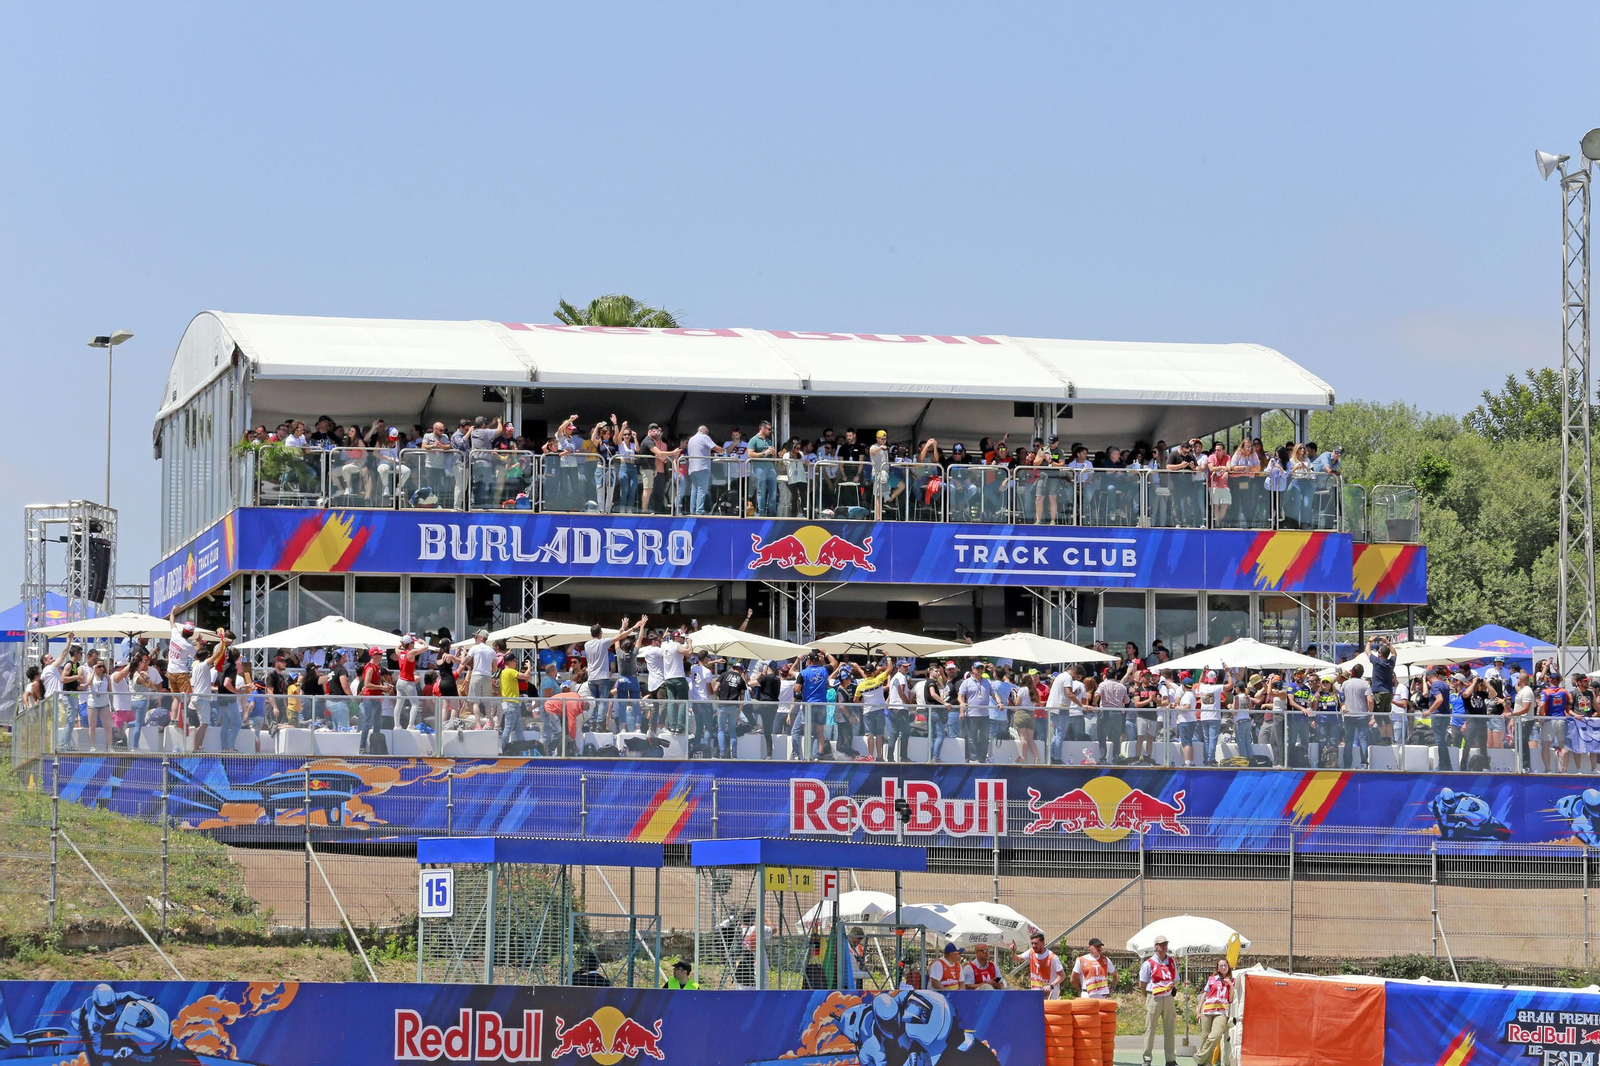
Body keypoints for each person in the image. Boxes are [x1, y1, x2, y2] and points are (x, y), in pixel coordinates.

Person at [1139, 936, 1178, 1066]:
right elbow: (1142, 983)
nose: (1164, 946)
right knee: (1150, 1027)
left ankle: (1170, 1059)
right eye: (1161, 944)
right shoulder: (1148, 963)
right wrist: (1148, 996)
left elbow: (1175, 978)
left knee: (1170, 1028)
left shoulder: (1172, 962)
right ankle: (1147, 1058)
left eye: (1166, 944)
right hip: (1154, 996)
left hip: (1168, 997)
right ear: (1156, 946)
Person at [1196, 959, 1236, 1065]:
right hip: (1207, 1009)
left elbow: (1231, 999)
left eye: (1225, 965)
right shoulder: (1212, 979)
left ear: (1228, 967)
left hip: (1221, 1011)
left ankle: (1199, 1057)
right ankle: (1206, 1063)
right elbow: (1204, 995)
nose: (1224, 967)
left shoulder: (1232, 980)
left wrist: (1230, 985)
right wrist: (1198, 1011)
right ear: (1218, 968)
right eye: (1221, 965)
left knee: (1216, 1035)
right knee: (1205, 1036)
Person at [1340, 663, 1372, 769]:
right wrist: (1370, 713)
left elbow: (1341, 699)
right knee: (1363, 739)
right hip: (1362, 714)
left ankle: (1347, 765)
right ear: (1362, 673)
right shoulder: (1365, 684)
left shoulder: (1345, 684)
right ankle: (1363, 764)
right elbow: (1370, 701)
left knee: (1348, 741)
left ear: (1352, 672)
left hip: (1349, 714)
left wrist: (1343, 707)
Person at [1021, 931, 1065, 999]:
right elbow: (1017, 958)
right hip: (1036, 994)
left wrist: (1051, 986)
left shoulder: (1052, 957)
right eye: (1032, 943)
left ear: (1043, 943)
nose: (1033, 946)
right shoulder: (1031, 952)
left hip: (1050, 995)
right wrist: (1013, 951)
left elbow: (1062, 976)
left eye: (1036, 943)